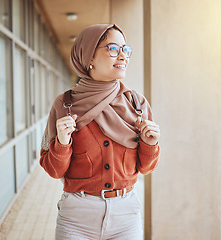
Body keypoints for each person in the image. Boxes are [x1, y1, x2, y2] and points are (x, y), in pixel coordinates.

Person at [40, 23, 160, 240]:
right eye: (113, 49)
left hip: (126, 216)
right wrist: (63, 142)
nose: (123, 56)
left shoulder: (137, 104)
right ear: (89, 58)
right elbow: (53, 170)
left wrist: (150, 144)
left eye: (126, 50)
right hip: (76, 217)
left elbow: (146, 168)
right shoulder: (65, 104)